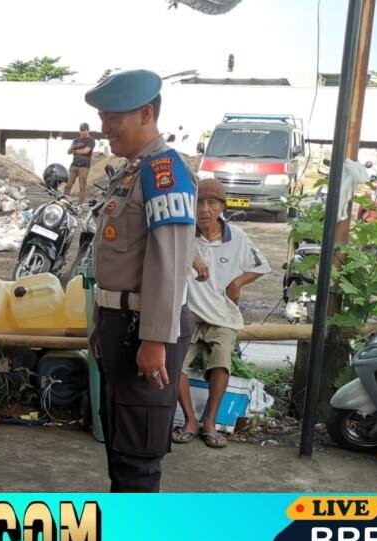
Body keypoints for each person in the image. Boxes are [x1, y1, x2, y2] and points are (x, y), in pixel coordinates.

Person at [85, 69, 197, 492]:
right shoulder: (133, 170)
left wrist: (155, 340)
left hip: (145, 332)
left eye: (114, 117)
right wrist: (102, 319)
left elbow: (168, 261)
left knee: (137, 456)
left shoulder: (164, 170)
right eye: (103, 117)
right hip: (121, 325)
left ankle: (136, 533)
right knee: (119, 442)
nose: (105, 127)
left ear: (146, 114)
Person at [172, 179, 271, 449]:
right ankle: (190, 420)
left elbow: (262, 265)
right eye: (199, 203)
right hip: (188, 314)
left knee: (221, 361)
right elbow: (164, 250)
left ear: (222, 207)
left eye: (211, 203)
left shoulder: (236, 237)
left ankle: (210, 422)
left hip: (222, 316)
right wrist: (189, 258)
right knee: (175, 363)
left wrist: (237, 283)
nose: (204, 209)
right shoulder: (183, 234)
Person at [65, 123, 96, 204]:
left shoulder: (91, 140)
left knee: (82, 186)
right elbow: (68, 152)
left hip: (84, 167)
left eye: (84, 130)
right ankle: (65, 201)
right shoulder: (76, 140)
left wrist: (75, 151)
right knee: (68, 185)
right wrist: (72, 147)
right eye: (81, 130)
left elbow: (86, 151)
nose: (82, 132)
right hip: (74, 165)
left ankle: (80, 204)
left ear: (88, 130)